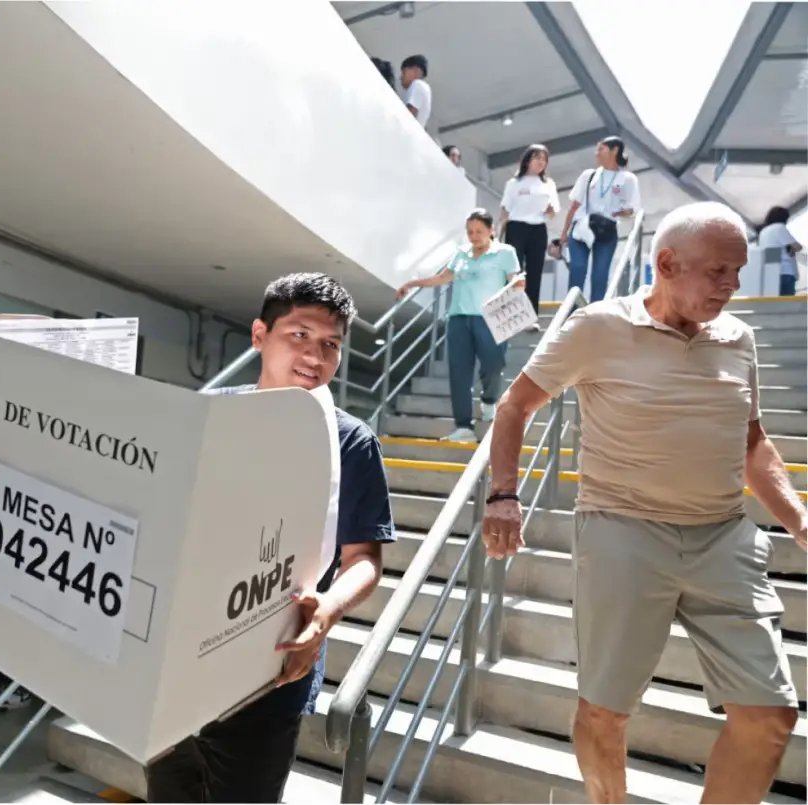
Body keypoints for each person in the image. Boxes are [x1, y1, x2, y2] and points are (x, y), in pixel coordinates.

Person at [485, 202, 804, 804]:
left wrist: (800, 521)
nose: (733, 286)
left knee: (769, 716)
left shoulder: (739, 338)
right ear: (666, 263)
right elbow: (514, 407)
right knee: (605, 712)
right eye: (718, 272)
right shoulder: (598, 328)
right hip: (623, 532)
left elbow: (752, 441)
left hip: (723, 538)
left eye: (738, 271)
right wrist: (504, 495)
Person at [143, 273, 394, 803]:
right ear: (260, 335)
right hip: (177, 661)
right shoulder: (211, 412)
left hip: (270, 667)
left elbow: (365, 558)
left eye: (330, 345)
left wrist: (326, 609)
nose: (315, 356)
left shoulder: (351, 442)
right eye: (298, 335)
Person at [397, 209, 526, 442]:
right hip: (458, 319)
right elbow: (443, 278)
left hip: (490, 318)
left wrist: (518, 284)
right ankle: (464, 427)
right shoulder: (462, 253)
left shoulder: (505, 253)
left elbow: (514, 281)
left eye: (479, 231)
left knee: (494, 363)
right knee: (459, 373)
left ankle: (488, 400)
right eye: (470, 232)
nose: (474, 236)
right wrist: (414, 283)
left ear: (491, 231)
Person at [559, 136, 640, 302]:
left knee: (600, 275)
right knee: (578, 269)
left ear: (614, 150)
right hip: (582, 228)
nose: (596, 153)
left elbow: (632, 209)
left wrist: (620, 212)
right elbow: (574, 205)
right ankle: (571, 313)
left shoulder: (628, 179)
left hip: (606, 231)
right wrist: (565, 231)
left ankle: (595, 314)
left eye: (601, 149)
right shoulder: (588, 175)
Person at [499, 144, 559, 315]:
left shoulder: (548, 184)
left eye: (544, 159)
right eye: (537, 158)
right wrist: (497, 233)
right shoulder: (514, 183)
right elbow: (505, 210)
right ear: (527, 160)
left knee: (534, 273)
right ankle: (508, 311)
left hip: (538, 229)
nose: (541, 162)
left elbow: (554, 209)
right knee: (513, 271)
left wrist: (549, 211)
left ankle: (530, 314)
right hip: (516, 227)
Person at [756, 206, 802, 296]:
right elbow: (796, 247)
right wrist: (793, 248)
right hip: (785, 272)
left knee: (774, 304)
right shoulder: (779, 228)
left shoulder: (763, 232)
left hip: (770, 272)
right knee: (787, 305)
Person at [400, 54, 432, 128]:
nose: (401, 77)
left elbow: (410, 114)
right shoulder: (421, 87)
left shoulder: (417, 84)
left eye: (404, 72)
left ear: (416, 70)